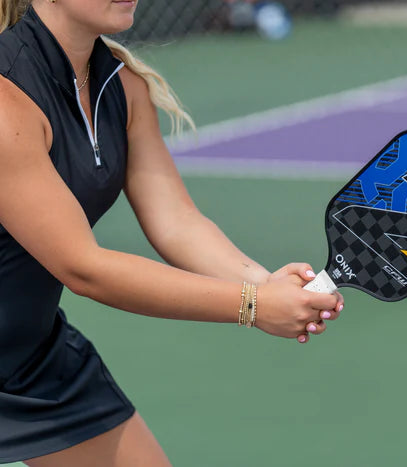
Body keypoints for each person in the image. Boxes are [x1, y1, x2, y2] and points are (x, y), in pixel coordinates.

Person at [0, 0, 343, 465]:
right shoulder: (5, 101)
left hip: (30, 359)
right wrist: (252, 306)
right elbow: (84, 268)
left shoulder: (123, 87)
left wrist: (266, 283)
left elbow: (176, 221)